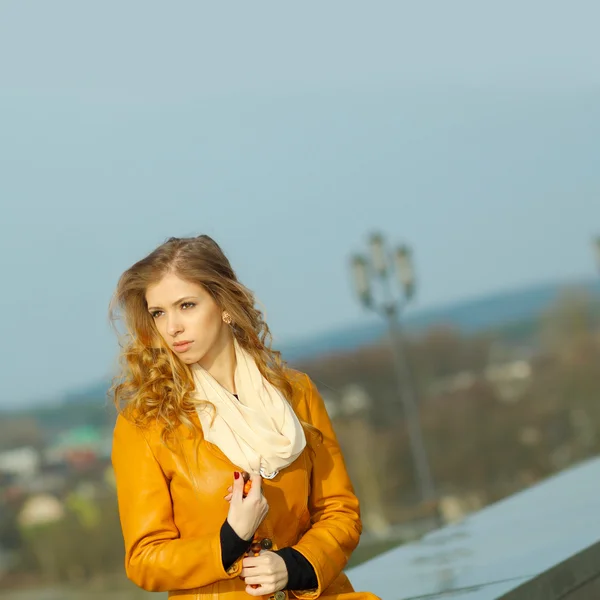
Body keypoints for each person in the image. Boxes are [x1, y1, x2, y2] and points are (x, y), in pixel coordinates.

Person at [109, 235, 380, 600]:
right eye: (159, 312)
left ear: (223, 303)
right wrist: (229, 540)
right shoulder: (145, 425)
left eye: (186, 305)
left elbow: (340, 511)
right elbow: (144, 559)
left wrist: (295, 565)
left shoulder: (295, 393)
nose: (171, 327)